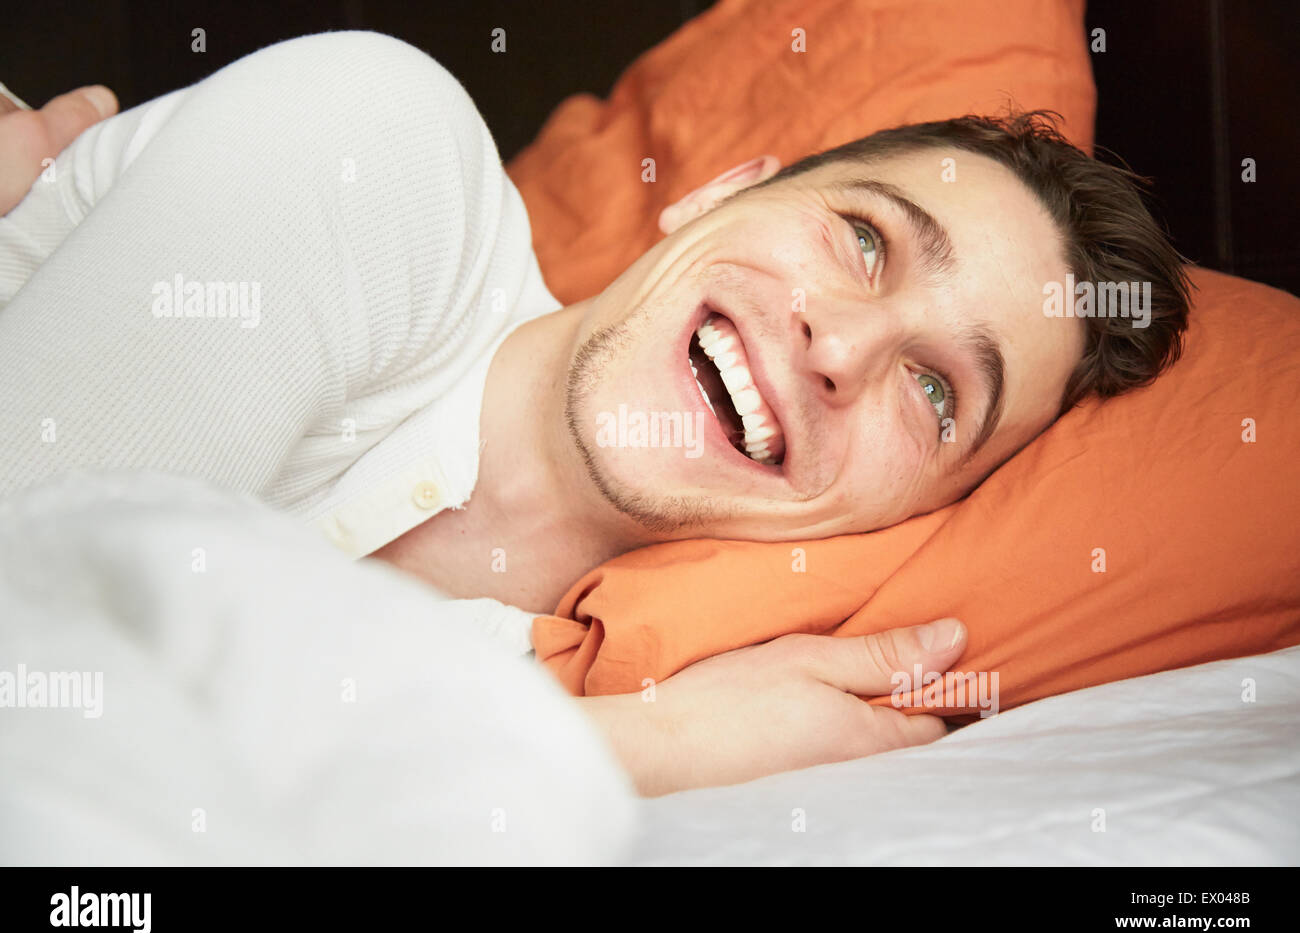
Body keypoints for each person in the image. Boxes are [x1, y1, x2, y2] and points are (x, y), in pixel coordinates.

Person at [0, 32, 1189, 795]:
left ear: (910, 515)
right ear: (719, 196)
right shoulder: (384, 156)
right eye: (864, 238)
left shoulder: (512, 689)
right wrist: (647, 750)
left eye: (937, 393)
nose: (842, 344)